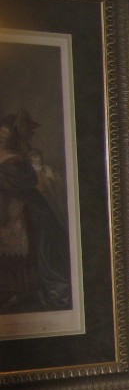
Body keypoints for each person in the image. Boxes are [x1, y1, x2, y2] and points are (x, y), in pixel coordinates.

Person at [0, 112, 71, 312]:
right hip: (14, 211)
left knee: (38, 251)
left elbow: (25, 181)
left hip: (30, 211)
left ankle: (41, 292)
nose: (1, 135)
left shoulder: (16, 160)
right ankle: (15, 293)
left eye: (4, 133)